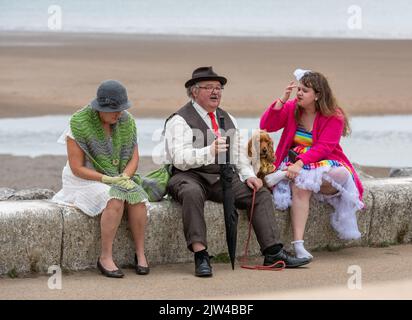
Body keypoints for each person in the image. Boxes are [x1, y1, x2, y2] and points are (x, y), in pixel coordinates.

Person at [164, 66, 311, 277]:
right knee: (191, 193)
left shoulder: (228, 118)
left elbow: (238, 153)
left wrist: (249, 175)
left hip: (222, 175)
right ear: (194, 92)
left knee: (259, 193)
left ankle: (273, 252)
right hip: (188, 175)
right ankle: (201, 256)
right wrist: (209, 151)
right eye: (209, 87)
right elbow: (179, 158)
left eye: (219, 88)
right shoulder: (178, 120)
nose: (216, 92)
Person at [260, 69, 364, 259]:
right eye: (299, 89)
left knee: (341, 175)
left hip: (322, 162)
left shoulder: (334, 115)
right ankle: (299, 245)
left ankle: (284, 174)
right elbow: (266, 125)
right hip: (293, 163)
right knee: (301, 186)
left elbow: (325, 147)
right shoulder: (292, 108)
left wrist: (300, 164)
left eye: (305, 90)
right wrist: (282, 101)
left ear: (317, 95)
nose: (299, 93)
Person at [52, 80, 150, 278]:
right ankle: (105, 257)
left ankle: (140, 253)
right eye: (115, 110)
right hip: (83, 181)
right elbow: (77, 168)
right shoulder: (79, 124)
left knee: (138, 198)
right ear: (100, 109)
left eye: (122, 109)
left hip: (115, 176)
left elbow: (134, 157)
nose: (119, 114)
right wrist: (106, 179)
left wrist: (125, 176)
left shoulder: (126, 120)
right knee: (114, 197)